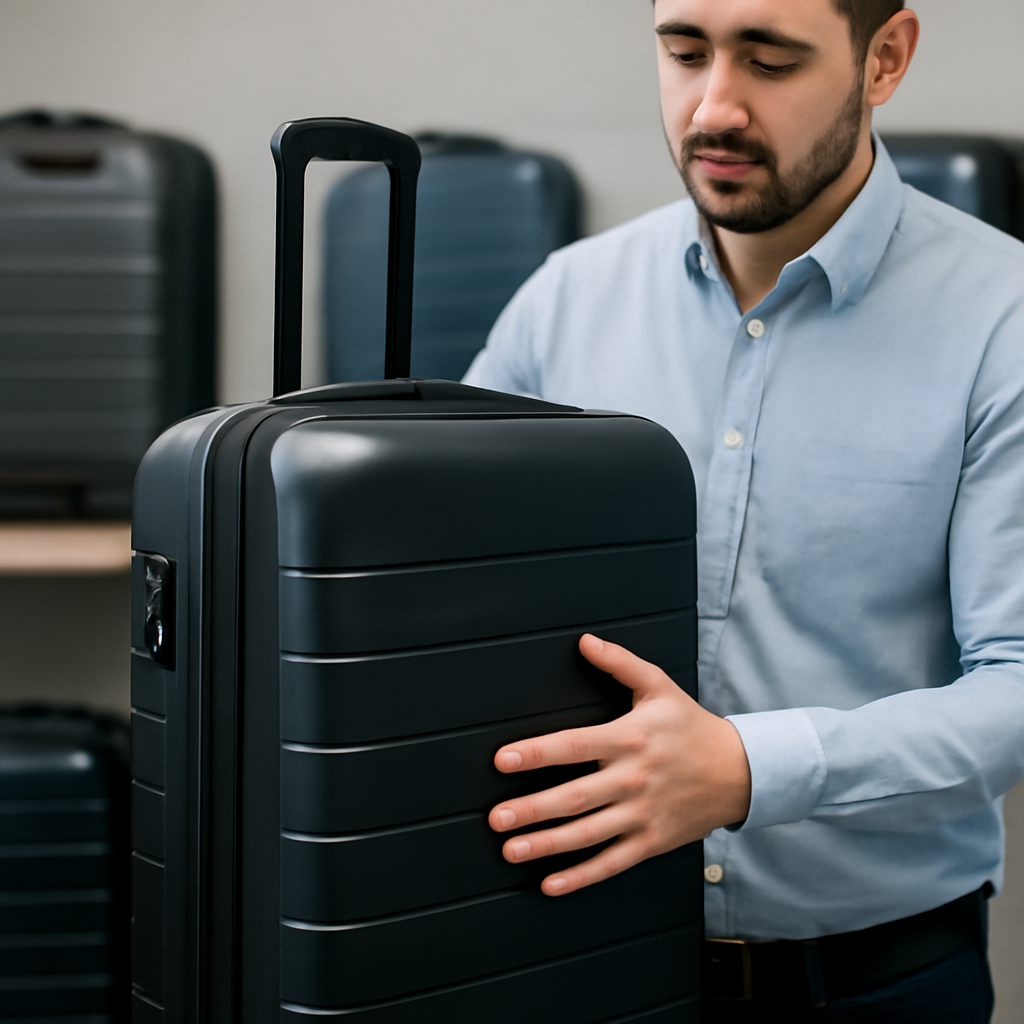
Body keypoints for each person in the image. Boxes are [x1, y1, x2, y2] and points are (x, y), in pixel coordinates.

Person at [462, 1, 1024, 1021]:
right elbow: (457, 600)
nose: (712, 105)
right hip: (577, 959)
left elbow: (1018, 683)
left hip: (879, 985)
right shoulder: (562, 301)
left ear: (883, 58)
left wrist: (749, 767)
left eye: (769, 60)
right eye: (684, 53)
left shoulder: (1004, 323)